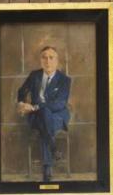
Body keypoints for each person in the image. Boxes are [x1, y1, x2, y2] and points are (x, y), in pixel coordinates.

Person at [13, 43, 72, 183]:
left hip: (57, 116)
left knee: (46, 114)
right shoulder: (35, 75)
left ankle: (47, 165)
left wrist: (35, 107)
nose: (48, 61)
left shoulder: (64, 80)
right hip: (36, 118)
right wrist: (21, 103)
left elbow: (59, 104)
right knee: (44, 117)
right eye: (44, 58)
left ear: (57, 61)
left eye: (51, 58)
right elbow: (21, 92)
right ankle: (52, 153)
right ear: (40, 60)